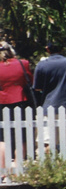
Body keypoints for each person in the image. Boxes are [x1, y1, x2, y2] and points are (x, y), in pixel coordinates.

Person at [0, 41, 34, 175]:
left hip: (1, 102)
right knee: (20, 135)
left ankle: (2, 170)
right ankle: (18, 168)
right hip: (20, 101)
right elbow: (29, 80)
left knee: (1, 137)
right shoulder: (23, 63)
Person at [33, 42, 66, 110]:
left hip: (49, 107)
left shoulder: (41, 65)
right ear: (62, 49)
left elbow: (37, 88)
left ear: (47, 49)